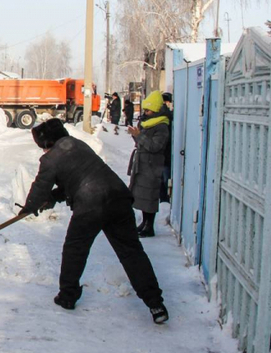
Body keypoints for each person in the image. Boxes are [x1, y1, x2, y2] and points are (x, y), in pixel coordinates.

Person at [18, 118, 168, 324]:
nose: (43, 152)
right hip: (118, 199)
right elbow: (78, 176)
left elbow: (40, 185)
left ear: (47, 143)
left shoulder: (51, 159)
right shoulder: (78, 145)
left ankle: (67, 296)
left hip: (91, 205)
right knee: (132, 252)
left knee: (75, 249)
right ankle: (155, 304)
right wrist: (52, 198)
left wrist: (29, 207)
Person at [128, 91, 171, 237]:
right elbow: (142, 143)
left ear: (156, 109)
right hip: (143, 164)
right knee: (142, 196)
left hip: (153, 166)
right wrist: (136, 135)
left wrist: (139, 135)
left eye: (148, 110)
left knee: (150, 196)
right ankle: (144, 223)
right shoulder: (147, 123)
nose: (145, 113)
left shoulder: (162, 126)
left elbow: (155, 146)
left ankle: (149, 226)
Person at [159, 92, 174, 203]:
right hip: (166, 153)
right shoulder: (167, 115)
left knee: (162, 179)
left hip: (161, 154)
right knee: (165, 179)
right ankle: (165, 201)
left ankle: (163, 200)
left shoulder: (157, 114)